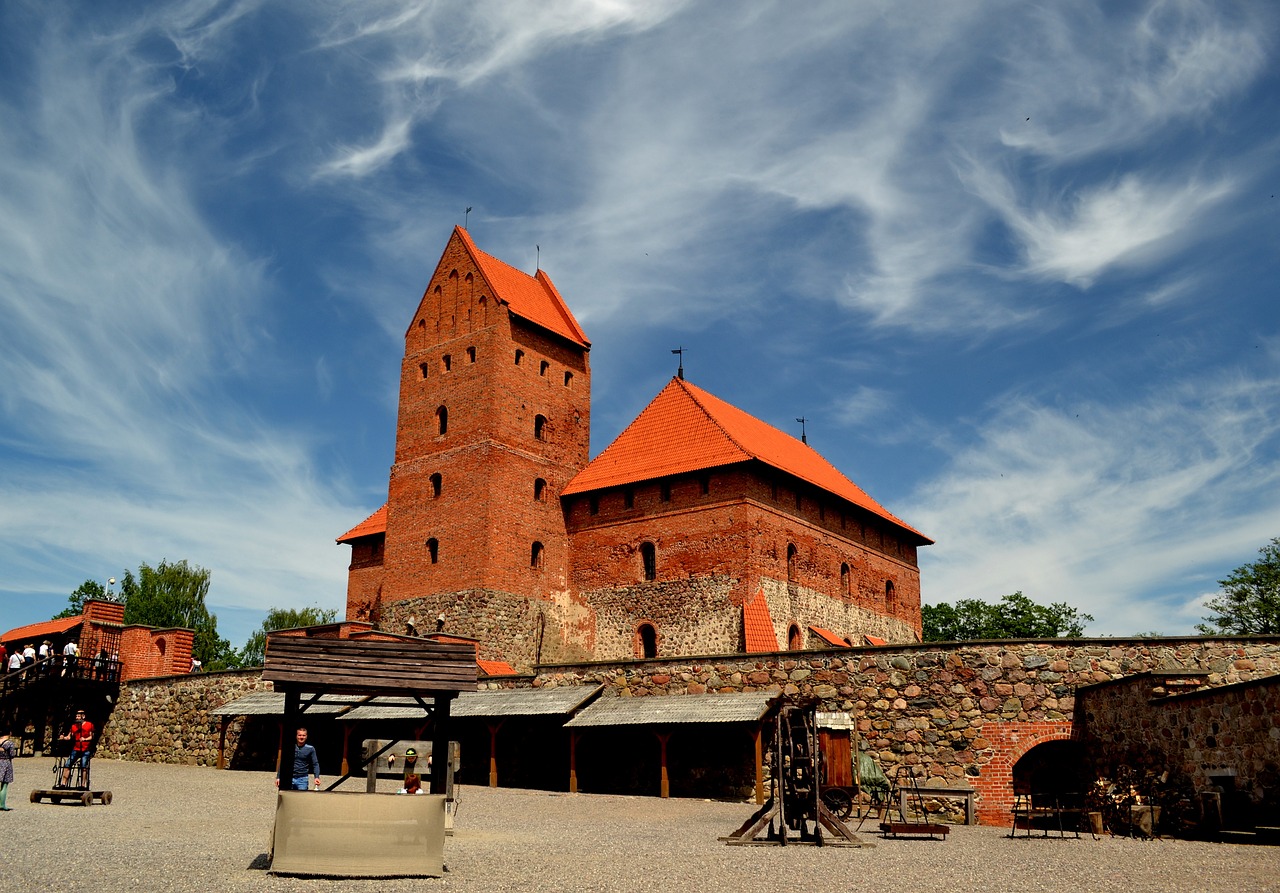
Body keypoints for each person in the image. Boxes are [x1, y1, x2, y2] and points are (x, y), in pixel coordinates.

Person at [275, 727, 320, 791]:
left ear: (306, 736)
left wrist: (316, 777)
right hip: (289, 777)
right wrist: (279, 777)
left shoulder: (310, 749)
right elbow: (284, 763)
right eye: (299, 735)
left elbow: (315, 764)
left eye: (303, 735)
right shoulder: (290, 747)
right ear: (296, 736)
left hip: (302, 779)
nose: (301, 737)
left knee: (301, 799)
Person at [59, 709, 94, 788]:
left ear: (83, 716)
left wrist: (85, 739)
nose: (77, 718)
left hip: (85, 749)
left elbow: (91, 736)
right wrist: (63, 738)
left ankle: (82, 785)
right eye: (76, 716)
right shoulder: (74, 726)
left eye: (79, 716)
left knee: (83, 766)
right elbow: (69, 736)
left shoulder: (89, 725)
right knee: (67, 765)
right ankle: (63, 783)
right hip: (76, 748)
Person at [0, 728, 15, 810]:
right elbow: (12, 754)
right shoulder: (9, 743)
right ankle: (2, 804)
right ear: (9, 733)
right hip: (6, 763)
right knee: (4, 785)